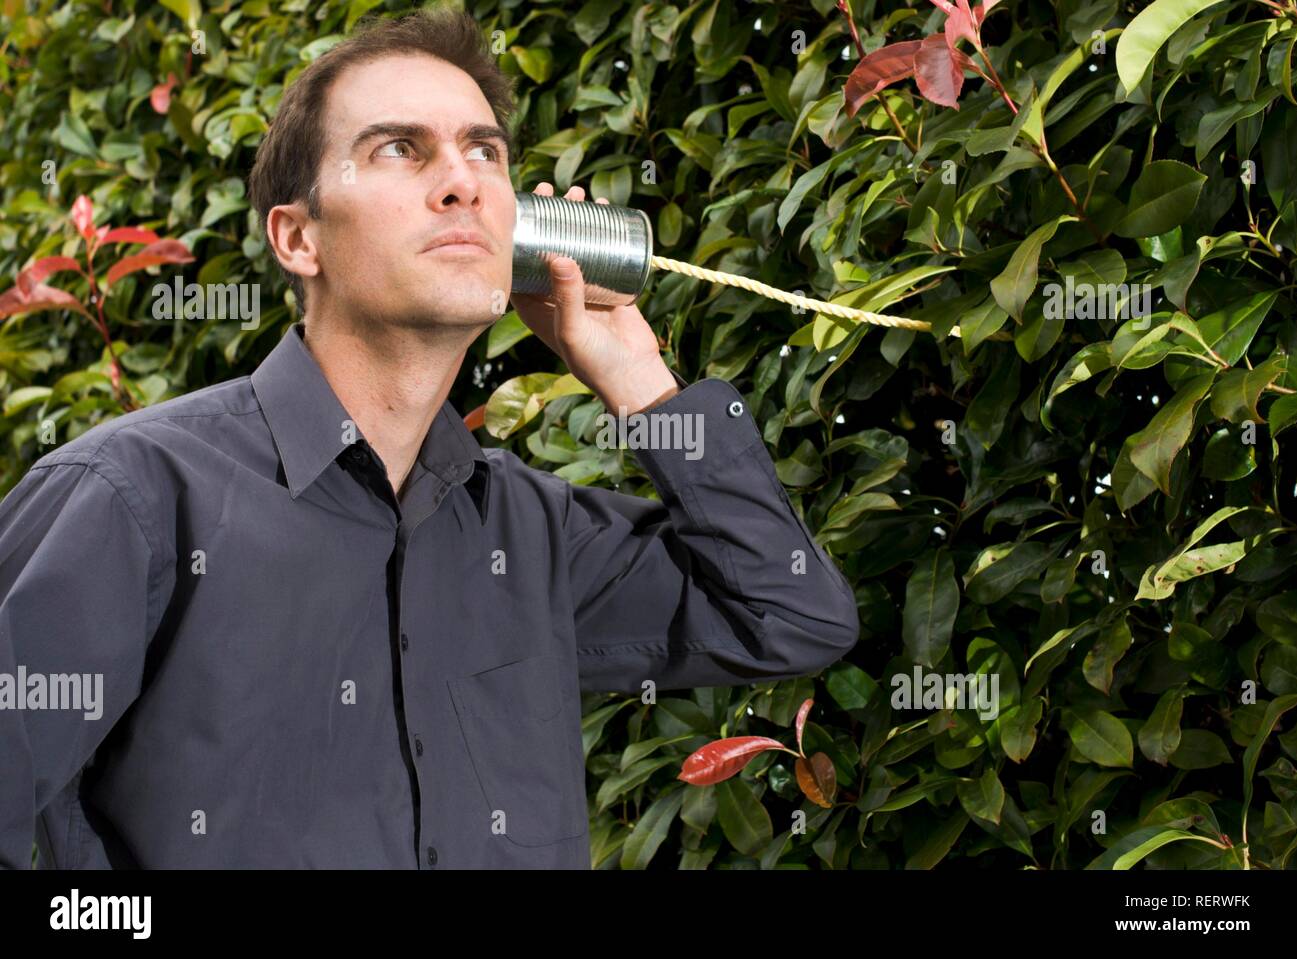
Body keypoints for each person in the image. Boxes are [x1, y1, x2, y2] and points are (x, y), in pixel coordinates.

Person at [0, 9, 859, 870]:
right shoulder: (132, 499)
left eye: (484, 151)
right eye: (399, 150)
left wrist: (639, 379)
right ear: (299, 238)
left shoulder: (532, 534)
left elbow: (786, 614)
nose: (465, 183)